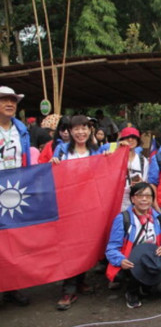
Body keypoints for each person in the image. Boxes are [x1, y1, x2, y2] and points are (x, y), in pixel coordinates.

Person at [51, 115, 100, 310]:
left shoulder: (97, 151)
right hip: (68, 206)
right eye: (77, 129)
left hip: (90, 205)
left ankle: (80, 279)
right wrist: (53, 164)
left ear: (90, 131)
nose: (81, 132)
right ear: (69, 131)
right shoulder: (62, 151)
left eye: (85, 128)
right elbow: (53, 176)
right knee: (69, 245)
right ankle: (68, 288)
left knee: (85, 243)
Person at [105, 182, 161, 309]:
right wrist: (121, 260)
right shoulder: (123, 218)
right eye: (140, 195)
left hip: (151, 258)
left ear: (152, 199)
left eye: (148, 196)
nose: (144, 199)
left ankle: (144, 286)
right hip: (131, 260)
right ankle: (131, 291)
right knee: (132, 270)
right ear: (133, 199)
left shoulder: (158, 218)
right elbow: (111, 248)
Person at [0, 86, 30, 306]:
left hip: (15, 191)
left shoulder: (21, 130)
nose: (10, 104)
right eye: (4, 100)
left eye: (13, 101)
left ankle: (13, 286)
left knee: (14, 240)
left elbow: (26, 159)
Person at [118, 127, 149, 211]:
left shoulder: (143, 161)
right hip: (118, 202)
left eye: (133, 137)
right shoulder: (116, 158)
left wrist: (140, 183)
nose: (130, 140)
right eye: (127, 137)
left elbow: (146, 182)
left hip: (136, 203)